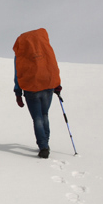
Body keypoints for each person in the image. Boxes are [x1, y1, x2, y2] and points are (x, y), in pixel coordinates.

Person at [13, 28, 62, 159]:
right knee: (44, 114)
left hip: (31, 90)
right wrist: (57, 85)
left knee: (37, 118)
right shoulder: (45, 50)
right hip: (48, 87)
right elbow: (52, 66)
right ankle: (46, 143)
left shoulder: (21, 55)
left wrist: (18, 93)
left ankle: (43, 146)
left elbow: (18, 75)